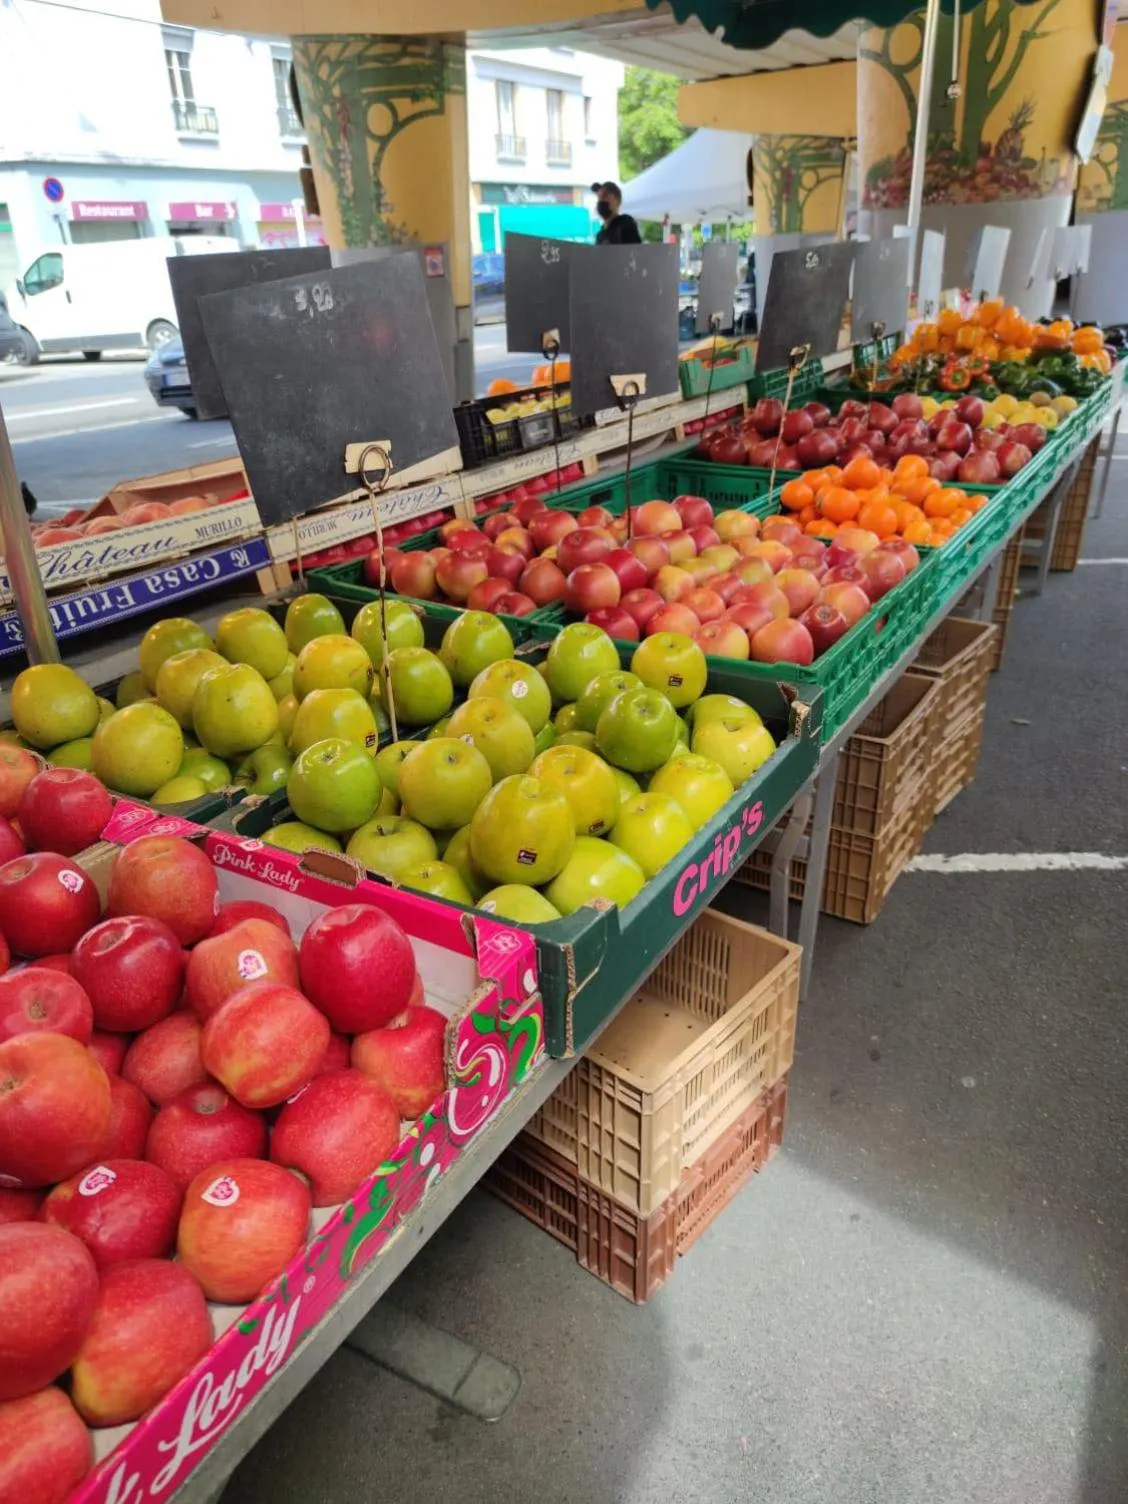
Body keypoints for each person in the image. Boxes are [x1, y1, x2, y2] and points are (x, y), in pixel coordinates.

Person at [591, 182, 641, 246]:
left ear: (618, 200)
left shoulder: (625, 223)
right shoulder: (600, 235)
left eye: (605, 196)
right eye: (599, 197)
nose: (601, 200)